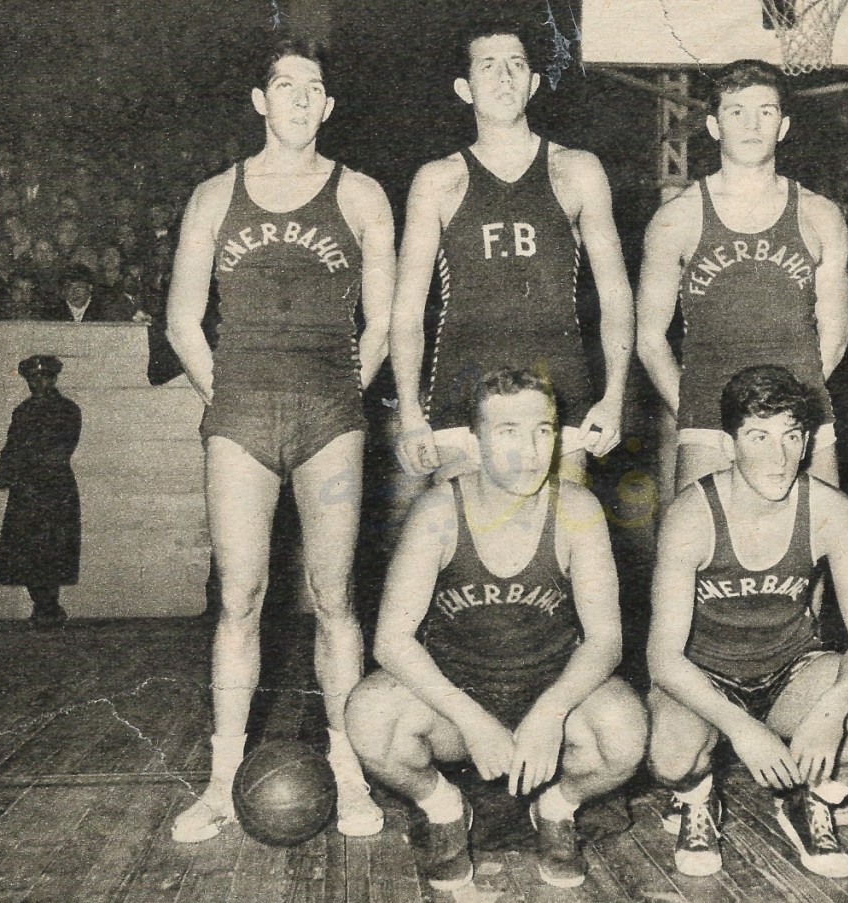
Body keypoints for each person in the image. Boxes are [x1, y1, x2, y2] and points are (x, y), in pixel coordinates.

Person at [165, 34, 395, 843]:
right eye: (285, 85)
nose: (299, 98)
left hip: (330, 415)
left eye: (313, 87)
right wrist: (227, 396)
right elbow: (182, 321)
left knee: (335, 599)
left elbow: (384, 323)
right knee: (239, 597)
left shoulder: (360, 193)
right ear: (261, 101)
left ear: (328, 105)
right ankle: (222, 782)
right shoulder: (213, 196)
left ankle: (349, 770)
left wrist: (342, 396)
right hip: (241, 418)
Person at [346, 368, 646, 891]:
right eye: (508, 432)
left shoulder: (577, 509)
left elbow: (606, 640)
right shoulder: (438, 511)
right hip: (457, 699)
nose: (529, 451)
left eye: (543, 431)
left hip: (548, 690)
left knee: (625, 732)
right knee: (369, 716)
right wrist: (471, 719)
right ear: (476, 442)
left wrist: (550, 712)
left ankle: (556, 809)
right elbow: (391, 641)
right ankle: (444, 809)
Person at [647, 365, 848, 879]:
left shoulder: (831, 511)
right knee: (671, 757)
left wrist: (832, 710)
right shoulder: (692, 514)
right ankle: (698, 796)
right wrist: (742, 729)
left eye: (791, 437)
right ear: (728, 445)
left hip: (791, 672)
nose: (778, 458)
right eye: (759, 437)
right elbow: (662, 658)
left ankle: (812, 798)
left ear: (807, 441)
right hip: (706, 676)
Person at [391, 19, 633, 482]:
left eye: (516, 65)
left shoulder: (577, 170)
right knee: (465, 526)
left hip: (560, 390)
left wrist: (613, 398)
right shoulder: (437, 180)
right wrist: (409, 413)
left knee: (560, 526)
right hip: (462, 393)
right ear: (464, 89)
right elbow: (405, 311)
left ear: (534, 83)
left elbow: (616, 296)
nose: (504, 77)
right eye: (488, 66)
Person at [636, 60, 848, 491]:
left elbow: (835, 335)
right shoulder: (676, 219)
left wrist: (790, 411)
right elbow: (650, 340)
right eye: (737, 112)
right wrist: (695, 411)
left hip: (799, 420)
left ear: (783, 126)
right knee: (700, 532)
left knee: (818, 531)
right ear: (714, 126)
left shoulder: (820, 215)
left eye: (765, 112)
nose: (752, 125)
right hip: (709, 419)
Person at [0, 356, 81, 629]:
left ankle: (49, 608)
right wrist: (6, 472)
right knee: (27, 551)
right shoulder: (22, 411)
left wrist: (28, 471)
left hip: (54, 488)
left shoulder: (67, 410)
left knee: (52, 550)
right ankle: (43, 607)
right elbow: (11, 445)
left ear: (53, 379)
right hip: (25, 489)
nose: (37, 383)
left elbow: (61, 450)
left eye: (43, 377)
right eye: (32, 378)